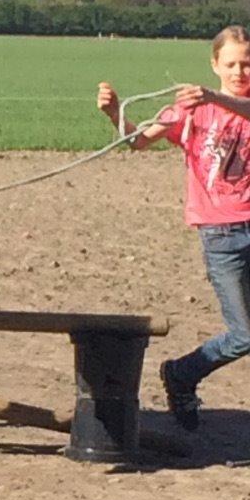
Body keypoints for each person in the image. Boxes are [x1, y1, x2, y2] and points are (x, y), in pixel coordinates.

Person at [97, 25, 250, 431]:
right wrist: (115, 113)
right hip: (223, 236)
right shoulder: (190, 110)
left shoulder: (226, 100)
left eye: (247, 64)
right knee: (244, 334)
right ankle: (182, 375)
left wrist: (216, 96)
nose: (239, 71)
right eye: (231, 63)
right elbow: (137, 141)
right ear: (214, 64)